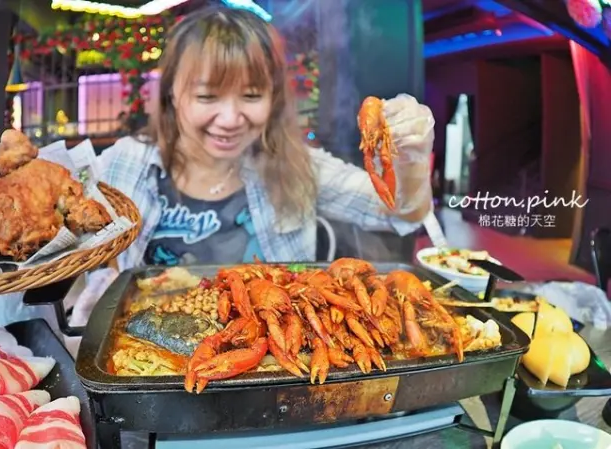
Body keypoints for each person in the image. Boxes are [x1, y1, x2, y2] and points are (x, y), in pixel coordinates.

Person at [67, 5, 435, 329]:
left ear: (273, 97)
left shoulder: (297, 165)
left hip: (272, 367)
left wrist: (412, 158)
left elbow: (400, 214)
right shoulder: (123, 162)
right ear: (172, 95)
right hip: (148, 361)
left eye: (251, 95)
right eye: (207, 96)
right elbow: (62, 246)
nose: (229, 119)